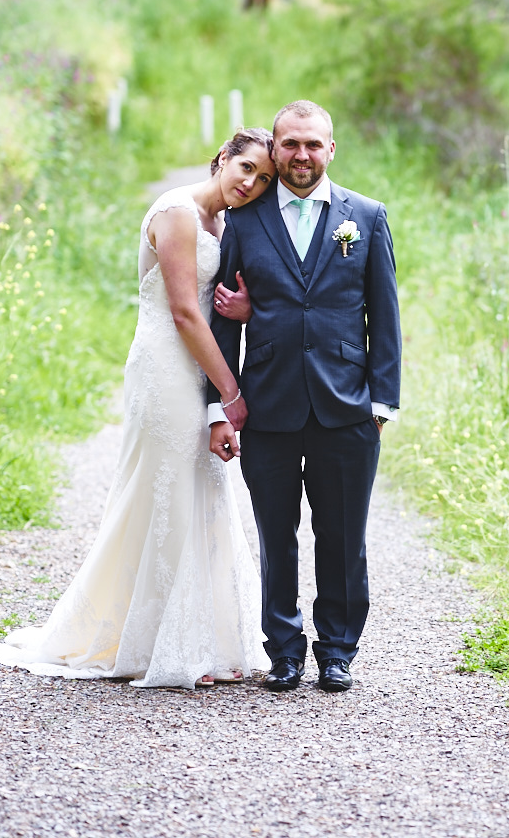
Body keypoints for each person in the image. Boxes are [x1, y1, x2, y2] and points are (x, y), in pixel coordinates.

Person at [0, 129, 275, 688]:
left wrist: (226, 369)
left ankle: (202, 639)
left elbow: (219, 311)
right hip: (166, 366)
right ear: (222, 158)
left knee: (203, 490)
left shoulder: (226, 223)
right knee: (166, 488)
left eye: (263, 178)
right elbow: (184, 313)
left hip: (199, 367)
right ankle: (152, 643)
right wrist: (232, 393)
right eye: (245, 167)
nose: (251, 182)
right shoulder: (176, 212)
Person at [206, 100, 401, 693]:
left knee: (343, 536)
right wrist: (221, 404)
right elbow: (223, 319)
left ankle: (338, 650)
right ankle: (284, 649)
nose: (301, 156)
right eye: (290, 144)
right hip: (268, 402)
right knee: (275, 532)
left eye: (313, 145)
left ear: (331, 149)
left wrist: (381, 403)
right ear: (276, 148)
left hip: (346, 406)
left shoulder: (364, 217)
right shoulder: (245, 219)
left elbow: (384, 315)